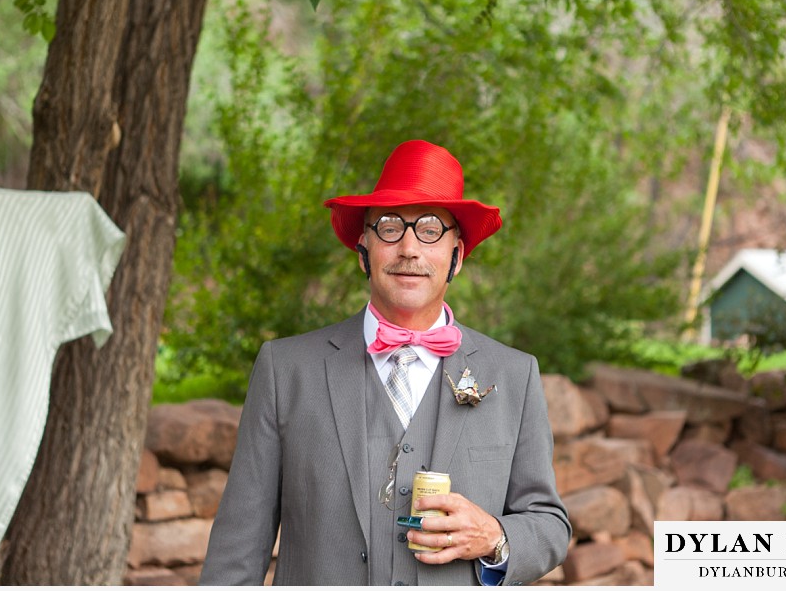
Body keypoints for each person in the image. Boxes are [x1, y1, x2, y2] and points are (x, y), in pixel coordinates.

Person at [200, 140, 570, 586]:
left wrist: (496, 536)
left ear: (457, 254)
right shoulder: (286, 370)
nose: (410, 248)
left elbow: (549, 524)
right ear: (364, 247)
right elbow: (238, 547)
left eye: (431, 228)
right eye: (390, 227)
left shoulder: (514, 375)